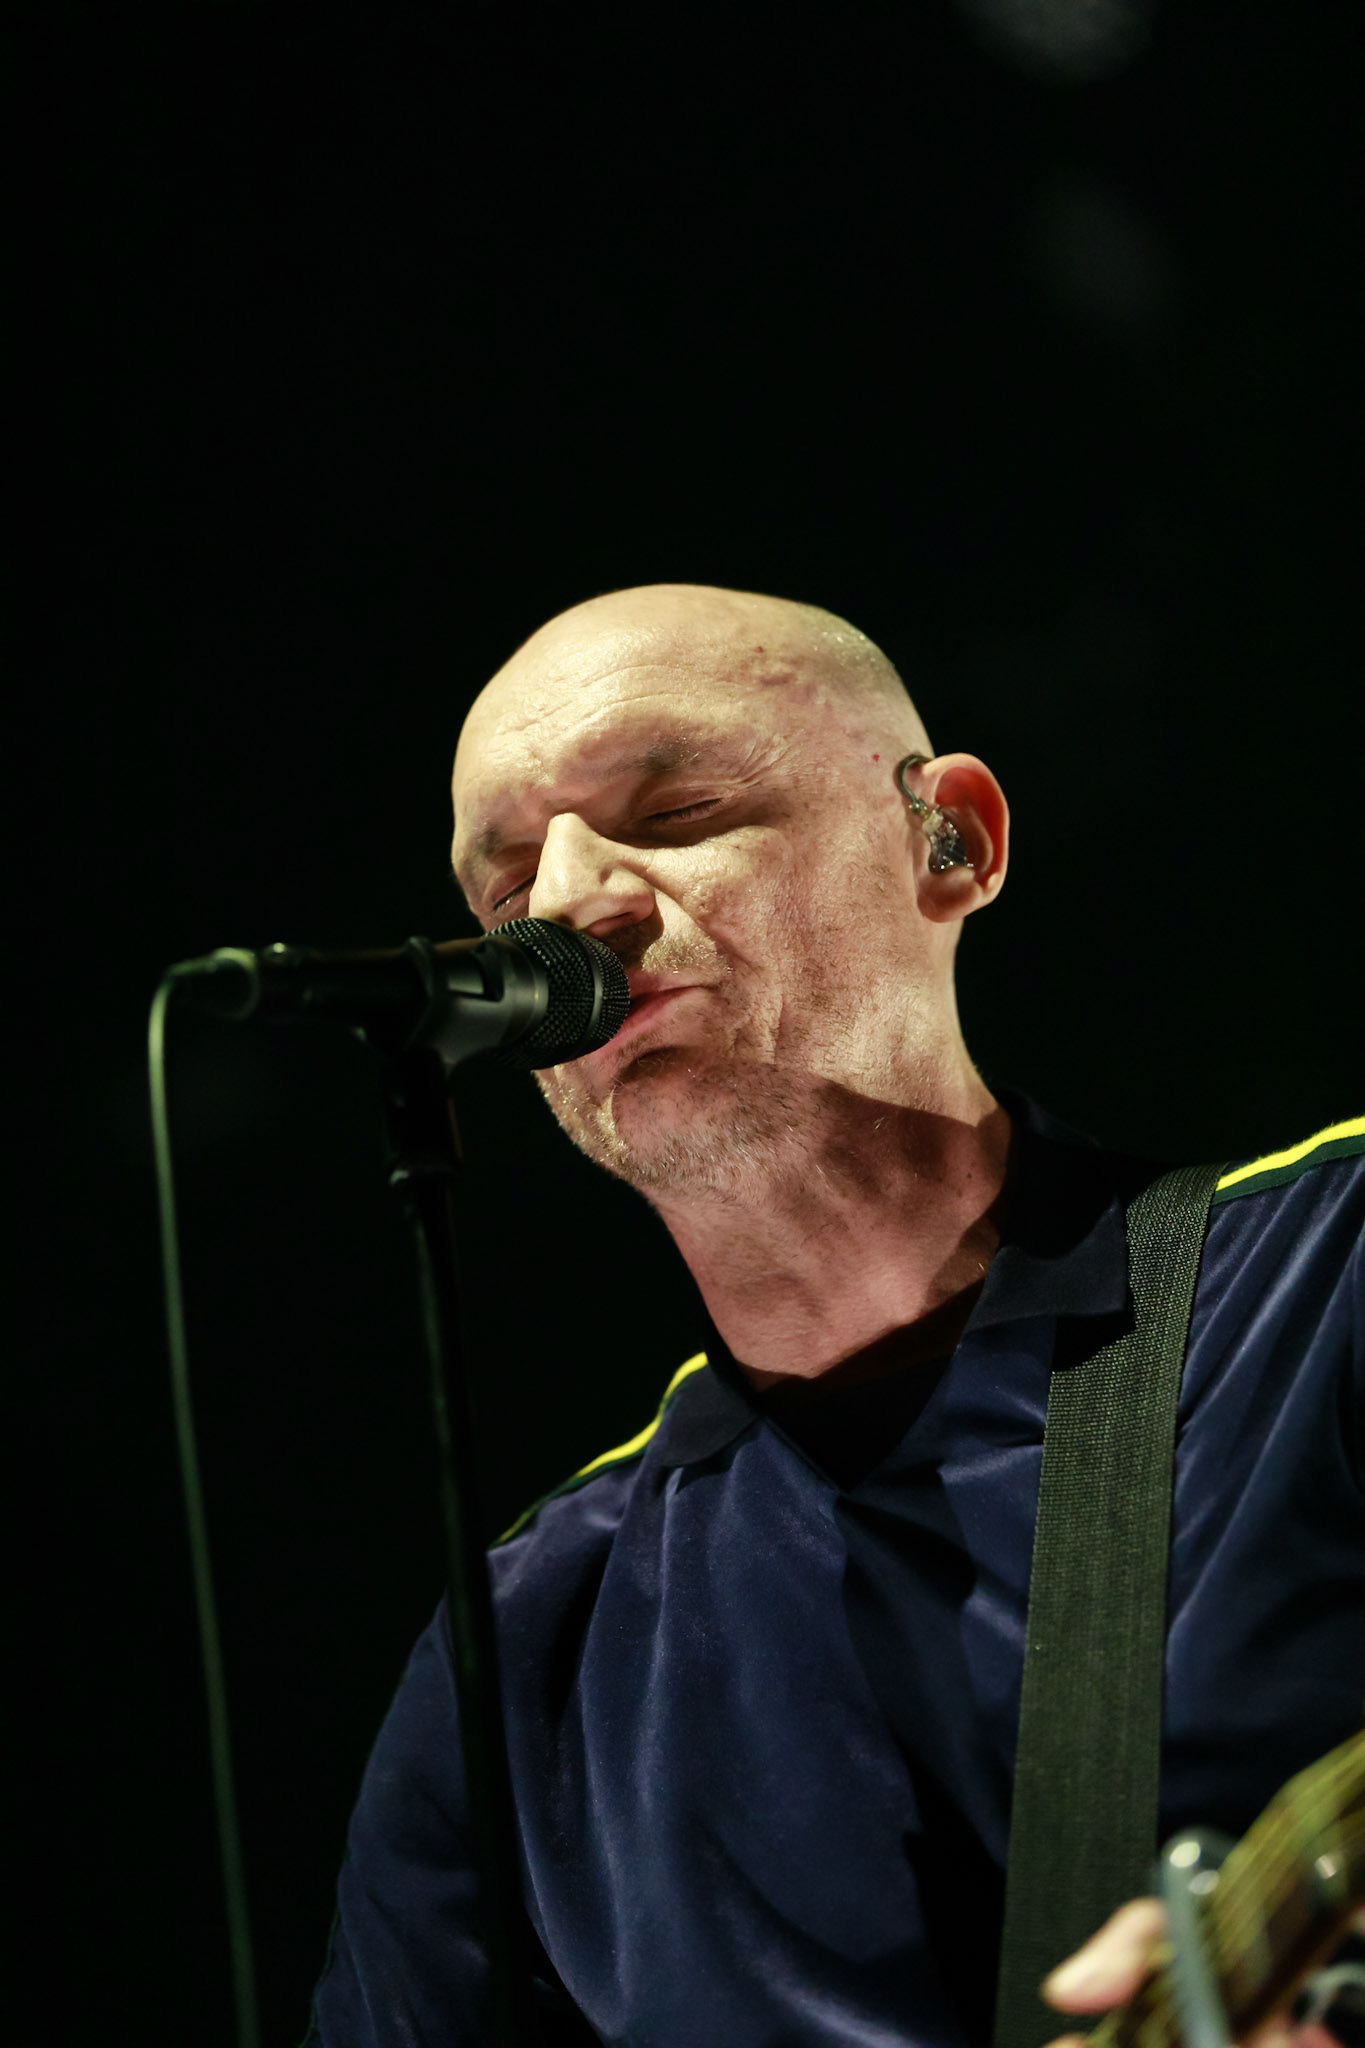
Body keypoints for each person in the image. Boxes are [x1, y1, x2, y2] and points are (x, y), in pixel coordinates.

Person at [306, 585, 1364, 2046]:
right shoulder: (530, 1651)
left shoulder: (1332, 1280)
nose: (565, 905)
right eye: (503, 892)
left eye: (674, 810)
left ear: (954, 841)